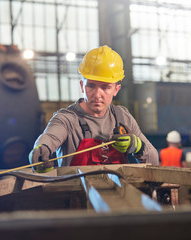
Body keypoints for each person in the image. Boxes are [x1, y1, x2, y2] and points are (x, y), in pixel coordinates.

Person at [29, 45, 159, 172]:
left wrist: (138, 147)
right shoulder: (67, 119)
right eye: (91, 86)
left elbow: (154, 162)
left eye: (105, 87)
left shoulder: (122, 117)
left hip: (119, 192)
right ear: (82, 86)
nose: (97, 95)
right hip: (76, 193)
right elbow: (50, 137)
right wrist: (41, 149)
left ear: (116, 89)